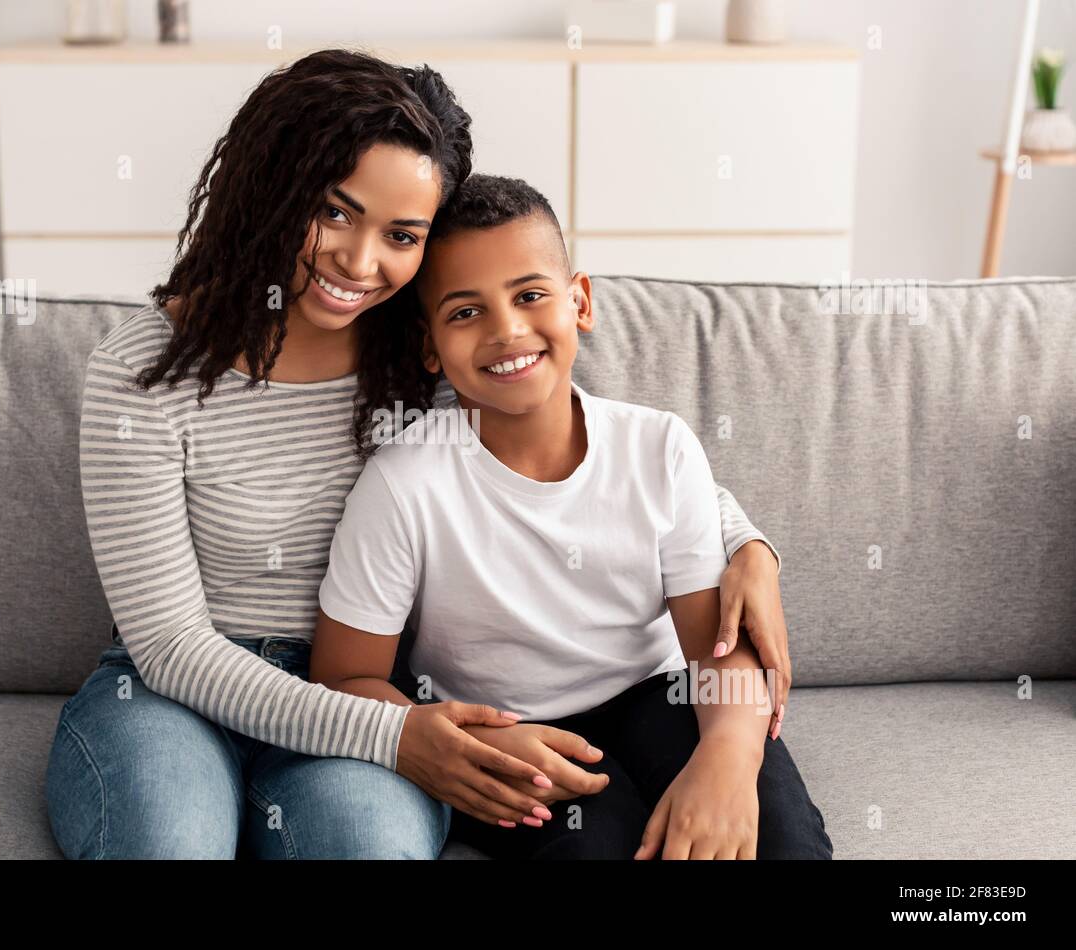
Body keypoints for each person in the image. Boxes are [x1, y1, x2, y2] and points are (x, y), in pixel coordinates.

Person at [46, 48, 791, 859]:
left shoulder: (432, 345)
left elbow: (594, 444)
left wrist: (746, 546)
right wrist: (398, 735)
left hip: (367, 692)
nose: (360, 263)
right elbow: (169, 646)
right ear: (269, 183)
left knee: (369, 846)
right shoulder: (144, 370)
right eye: (334, 212)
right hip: (175, 694)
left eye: (401, 234)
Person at [311, 174, 830, 858]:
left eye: (530, 296)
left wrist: (729, 759)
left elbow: (715, 648)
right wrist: (467, 741)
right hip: (506, 726)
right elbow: (343, 679)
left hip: (660, 696)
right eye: (466, 312)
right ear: (429, 343)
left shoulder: (660, 446)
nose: (507, 331)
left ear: (579, 301)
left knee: (786, 845)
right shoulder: (405, 483)